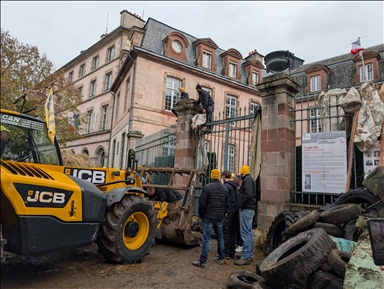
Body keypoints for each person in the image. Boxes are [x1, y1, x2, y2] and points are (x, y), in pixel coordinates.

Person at [192, 169, 229, 267]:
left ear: (212, 176)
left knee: (206, 239)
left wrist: (201, 214)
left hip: (208, 216)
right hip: (219, 217)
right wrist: (222, 214)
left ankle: (203, 261)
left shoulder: (207, 187)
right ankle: (221, 258)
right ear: (219, 176)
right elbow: (227, 205)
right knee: (220, 237)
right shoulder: (225, 189)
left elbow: (202, 203)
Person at [235, 165, 256, 266]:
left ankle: (246, 256)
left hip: (246, 209)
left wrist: (241, 205)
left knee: (245, 233)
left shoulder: (247, 180)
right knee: (249, 232)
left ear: (242, 173)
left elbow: (248, 194)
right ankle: (249, 254)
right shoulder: (250, 179)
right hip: (249, 208)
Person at [221, 170, 238, 259]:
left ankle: (226, 253)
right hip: (235, 211)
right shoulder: (234, 186)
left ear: (224, 176)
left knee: (226, 232)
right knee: (232, 232)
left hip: (229, 212)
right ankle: (232, 253)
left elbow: (224, 201)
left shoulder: (226, 187)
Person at [234, 173, 243, 253]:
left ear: (238, 180)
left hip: (241, 210)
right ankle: (238, 243)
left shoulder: (241, 189)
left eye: (234, 179)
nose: (234, 181)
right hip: (238, 211)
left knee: (241, 229)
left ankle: (241, 245)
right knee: (238, 228)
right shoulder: (238, 188)